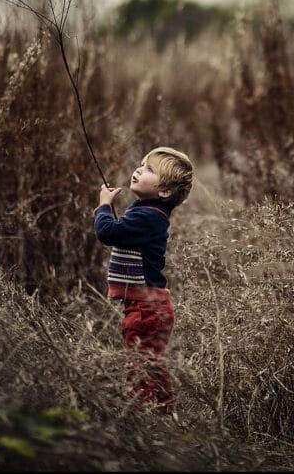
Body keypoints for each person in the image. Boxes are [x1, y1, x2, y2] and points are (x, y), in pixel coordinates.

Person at [93, 146, 194, 412]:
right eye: (141, 165)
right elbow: (122, 234)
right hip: (148, 307)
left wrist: (104, 205)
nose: (139, 170)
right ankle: (161, 414)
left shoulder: (148, 216)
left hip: (146, 309)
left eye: (149, 169)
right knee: (150, 366)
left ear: (164, 191)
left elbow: (107, 233)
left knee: (142, 369)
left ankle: (150, 416)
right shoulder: (147, 212)